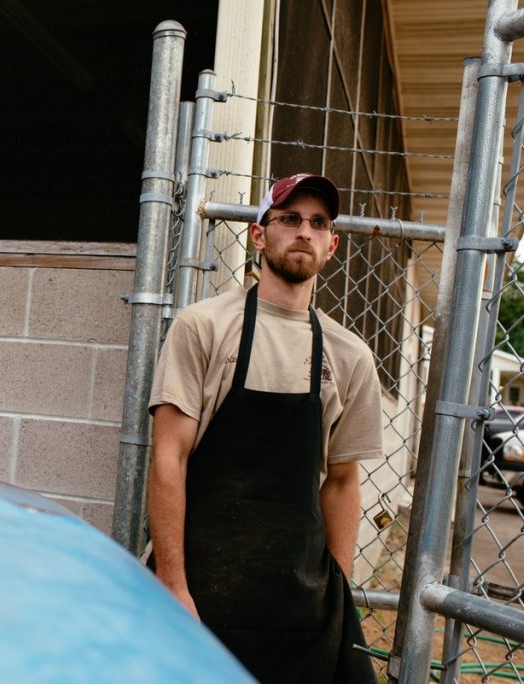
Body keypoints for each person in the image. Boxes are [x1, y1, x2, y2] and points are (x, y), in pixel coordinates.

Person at [146, 173, 383, 682]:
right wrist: (172, 585)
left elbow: (342, 481)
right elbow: (169, 456)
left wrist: (334, 596)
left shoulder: (351, 357)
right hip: (200, 594)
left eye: (318, 223)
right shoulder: (204, 326)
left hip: (299, 611)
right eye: (289, 218)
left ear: (332, 245)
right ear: (259, 235)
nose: (304, 231)